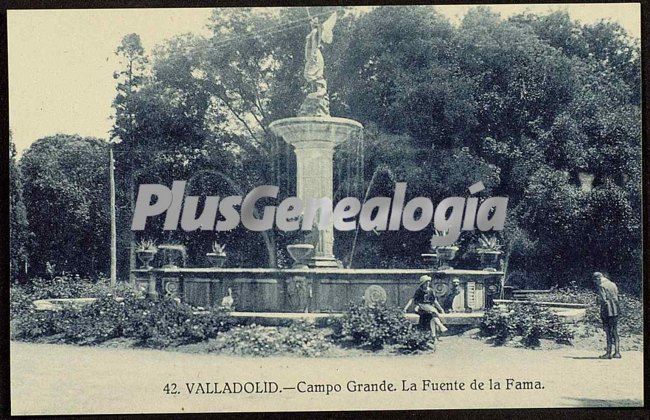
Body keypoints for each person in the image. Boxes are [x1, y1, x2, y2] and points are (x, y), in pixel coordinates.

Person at [593, 272, 621, 359]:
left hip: (607, 311)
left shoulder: (602, 286)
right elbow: (617, 296)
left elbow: (603, 300)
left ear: (598, 279)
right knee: (615, 331)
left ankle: (608, 353)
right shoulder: (613, 284)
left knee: (608, 332)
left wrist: (597, 300)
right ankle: (617, 352)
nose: (596, 283)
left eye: (595, 281)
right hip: (616, 309)